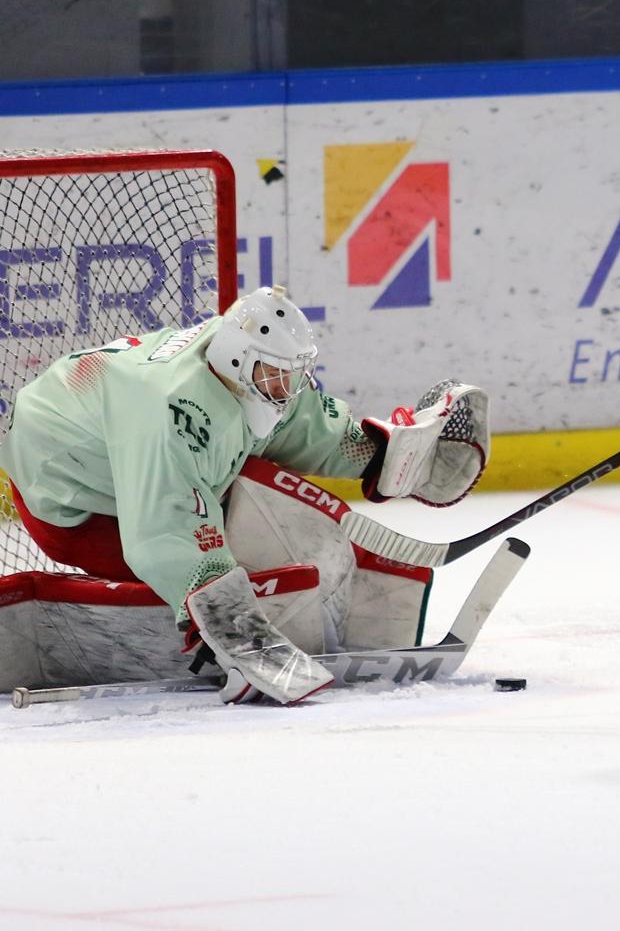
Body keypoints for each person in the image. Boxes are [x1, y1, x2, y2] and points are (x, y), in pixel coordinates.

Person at [0, 285, 489, 703]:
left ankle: (327, 615)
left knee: (263, 492)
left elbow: (305, 425)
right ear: (239, 358)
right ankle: (213, 638)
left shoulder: (249, 368)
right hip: (72, 504)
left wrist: (383, 457)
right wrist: (230, 627)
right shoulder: (169, 410)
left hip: (115, 443)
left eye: (296, 374)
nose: (289, 386)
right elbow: (163, 529)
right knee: (226, 556)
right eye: (279, 376)